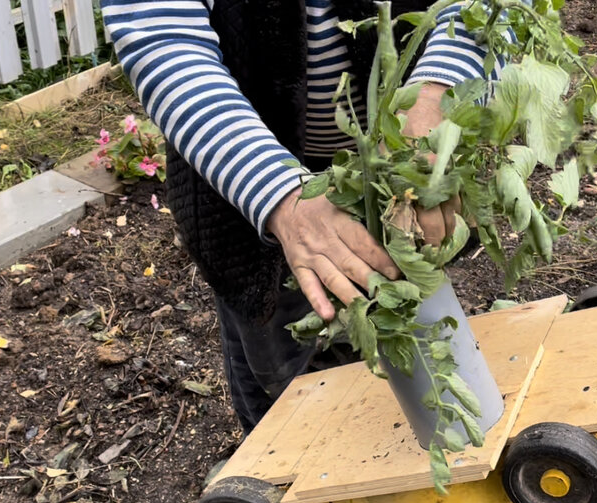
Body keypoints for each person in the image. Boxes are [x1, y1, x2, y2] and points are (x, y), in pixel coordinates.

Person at [101, 0, 491, 433]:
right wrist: (281, 197)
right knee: (280, 380)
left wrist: (441, 90)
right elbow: (164, 44)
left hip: (402, 166)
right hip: (251, 181)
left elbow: (486, 9)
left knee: (416, 328)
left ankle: (428, 444)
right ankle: (279, 477)